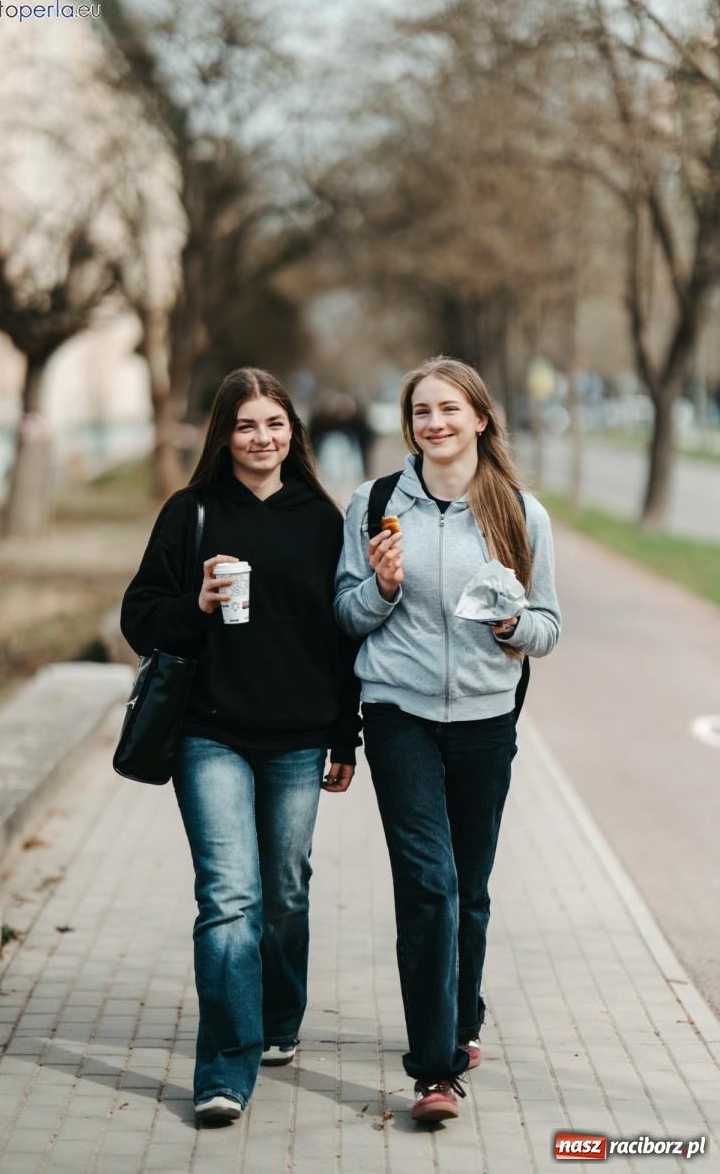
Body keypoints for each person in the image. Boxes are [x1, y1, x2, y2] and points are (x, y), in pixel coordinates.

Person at [120, 368, 359, 1124]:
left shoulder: (323, 519)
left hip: (296, 736)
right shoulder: (190, 513)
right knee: (228, 898)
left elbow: (344, 639)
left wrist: (343, 736)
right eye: (247, 426)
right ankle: (225, 1069)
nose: (263, 438)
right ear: (224, 435)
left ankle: (279, 1018)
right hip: (208, 733)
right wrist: (194, 604)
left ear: (294, 431)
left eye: (276, 424)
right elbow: (139, 617)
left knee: (284, 892)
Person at [334, 356, 561, 1123]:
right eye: (421, 411)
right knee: (428, 887)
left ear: (479, 418)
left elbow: (547, 627)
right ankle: (433, 1072)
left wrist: (511, 624)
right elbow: (344, 614)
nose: (434, 422)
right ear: (410, 426)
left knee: (469, 889)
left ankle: (461, 1022)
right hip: (397, 715)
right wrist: (381, 588)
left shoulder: (519, 513)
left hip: (485, 721)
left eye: (448, 409)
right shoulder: (371, 506)